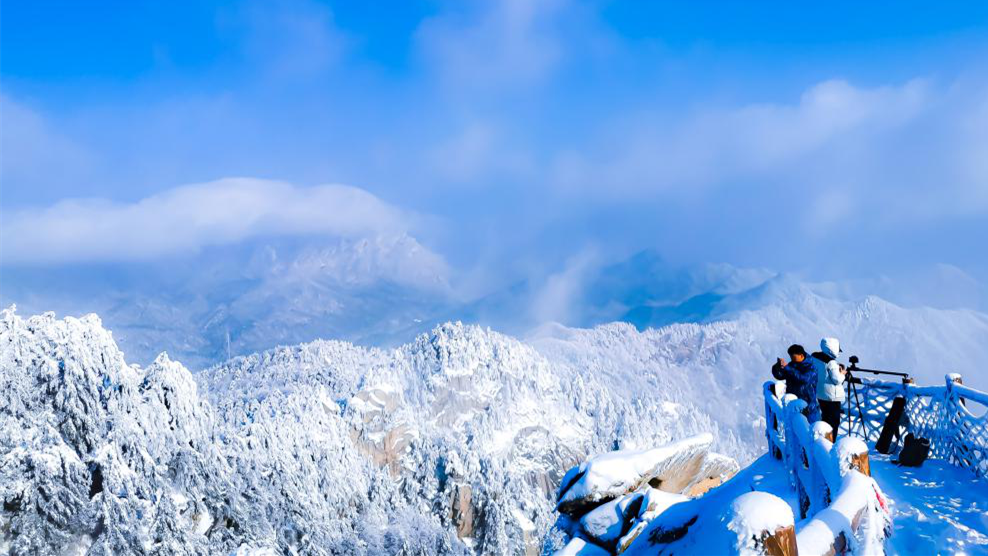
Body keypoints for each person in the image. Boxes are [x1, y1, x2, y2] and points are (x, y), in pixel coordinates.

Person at [771, 344, 820, 421]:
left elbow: (804, 379)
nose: (791, 359)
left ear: (801, 355)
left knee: (810, 429)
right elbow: (781, 376)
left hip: (808, 405)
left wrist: (788, 368)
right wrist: (777, 368)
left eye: (793, 357)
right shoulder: (792, 365)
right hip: (794, 403)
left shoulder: (811, 367)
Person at [811, 337, 846, 436]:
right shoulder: (831, 363)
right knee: (833, 422)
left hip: (821, 394)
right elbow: (837, 380)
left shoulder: (815, 357)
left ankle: (823, 441)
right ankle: (830, 442)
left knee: (825, 418)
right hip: (832, 397)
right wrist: (843, 373)